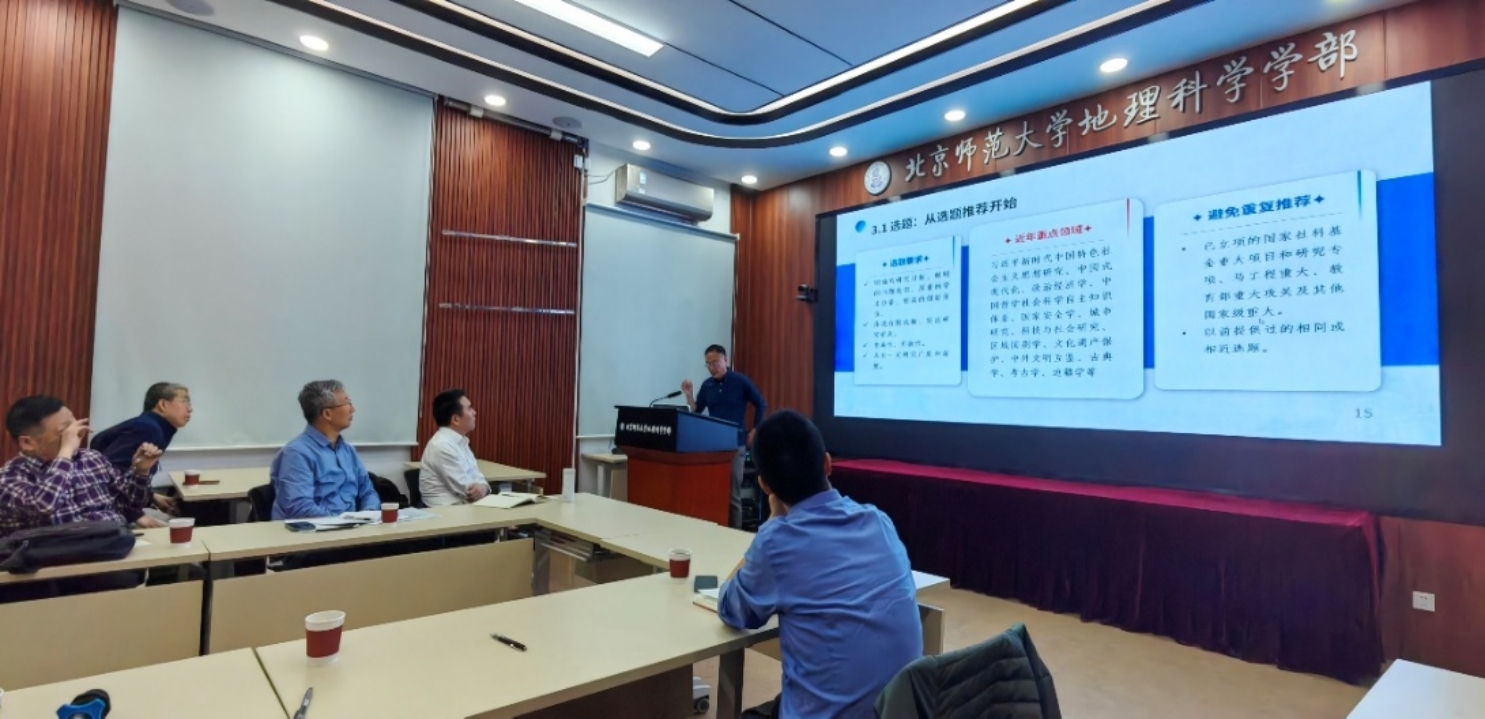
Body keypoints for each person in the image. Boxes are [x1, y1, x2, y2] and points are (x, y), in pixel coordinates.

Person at [716, 410, 922, 719]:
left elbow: (733, 610)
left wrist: (771, 522)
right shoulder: (879, 521)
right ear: (827, 463)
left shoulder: (778, 542)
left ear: (765, 486)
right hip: (896, 710)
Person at [0, 395, 162, 538]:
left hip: (113, 546)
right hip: (58, 558)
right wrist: (66, 452)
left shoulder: (91, 459)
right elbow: (43, 506)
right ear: (28, 443)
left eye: (75, 426)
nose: (77, 435)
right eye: (66, 432)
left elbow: (129, 507)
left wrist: (141, 472)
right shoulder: (9, 477)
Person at [270, 380, 379, 520]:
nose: (353, 409)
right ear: (327, 414)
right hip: (313, 530)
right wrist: (343, 523)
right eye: (347, 403)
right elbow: (300, 508)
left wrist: (368, 515)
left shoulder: (348, 451)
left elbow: (368, 493)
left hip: (350, 528)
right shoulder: (296, 453)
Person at [90, 382, 193, 526]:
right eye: (185, 401)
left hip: (117, 506)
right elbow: (108, 476)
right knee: (179, 525)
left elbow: (129, 474)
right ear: (163, 404)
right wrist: (135, 515)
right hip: (107, 512)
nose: (190, 408)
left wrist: (151, 496)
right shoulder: (149, 429)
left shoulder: (152, 426)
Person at [681, 344, 766, 488]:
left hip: (736, 443)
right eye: (708, 364)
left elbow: (761, 403)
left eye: (715, 363)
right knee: (715, 486)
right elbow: (696, 411)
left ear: (725, 360)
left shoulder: (740, 381)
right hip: (715, 443)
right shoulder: (707, 385)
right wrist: (689, 396)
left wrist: (755, 429)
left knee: (733, 488)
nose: (711, 368)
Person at [418, 389, 491, 506]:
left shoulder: (460, 441)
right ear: (456, 419)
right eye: (469, 408)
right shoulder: (441, 446)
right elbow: (467, 492)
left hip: (462, 507)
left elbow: (477, 476)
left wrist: (483, 488)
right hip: (444, 512)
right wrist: (482, 489)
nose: (474, 412)